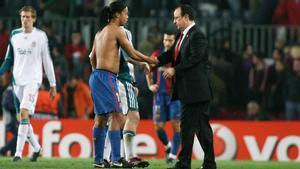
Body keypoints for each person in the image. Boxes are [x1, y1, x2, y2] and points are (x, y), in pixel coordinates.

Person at [88, 1, 157, 168]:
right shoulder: (117, 30)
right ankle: (117, 159)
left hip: (96, 76)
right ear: (117, 14)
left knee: (100, 118)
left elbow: (91, 57)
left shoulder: (99, 32)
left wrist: (97, 72)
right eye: (125, 13)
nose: (127, 17)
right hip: (107, 77)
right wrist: (150, 59)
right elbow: (131, 52)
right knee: (117, 116)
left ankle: (98, 160)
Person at [156, 4, 216, 169]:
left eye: (177, 17)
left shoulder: (197, 36)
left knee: (195, 128)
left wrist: (174, 69)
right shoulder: (181, 36)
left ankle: (186, 163)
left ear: (186, 17)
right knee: (196, 128)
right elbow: (171, 54)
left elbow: (196, 58)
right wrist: (154, 61)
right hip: (188, 91)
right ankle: (205, 163)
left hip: (197, 91)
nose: (174, 21)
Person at [0, 6, 56, 162]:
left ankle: (18, 154)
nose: (25, 19)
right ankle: (37, 148)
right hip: (17, 81)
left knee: (24, 114)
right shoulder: (14, 35)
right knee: (21, 118)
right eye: (23, 16)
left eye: (28, 17)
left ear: (34, 19)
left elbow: (47, 60)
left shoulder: (40, 36)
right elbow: (8, 59)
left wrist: (52, 84)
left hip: (33, 80)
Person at [146, 31, 181, 164]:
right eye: (166, 40)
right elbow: (147, 68)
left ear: (175, 41)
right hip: (160, 96)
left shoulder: (179, 56)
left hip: (175, 95)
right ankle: (168, 146)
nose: (167, 43)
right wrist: (150, 85)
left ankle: (172, 156)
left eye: (170, 40)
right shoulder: (157, 55)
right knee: (159, 127)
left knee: (176, 124)